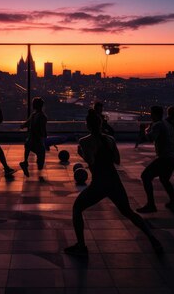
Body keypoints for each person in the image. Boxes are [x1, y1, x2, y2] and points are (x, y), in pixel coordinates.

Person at [65, 109, 163, 256]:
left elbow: (90, 160)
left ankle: (81, 245)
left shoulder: (85, 141)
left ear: (87, 125)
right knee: (128, 212)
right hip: (114, 181)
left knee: (77, 208)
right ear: (100, 124)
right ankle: (152, 239)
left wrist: (81, 153)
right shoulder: (110, 139)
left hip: (99, 183)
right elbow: (117, 160)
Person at [137, 106, 174, 213]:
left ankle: (151, 204)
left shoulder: (158, 125)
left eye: (151, 114)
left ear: (154, 114)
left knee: (145, 176)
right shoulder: (167, 124)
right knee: (164, 179)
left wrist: (143, 130)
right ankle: (173, 201)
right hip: (173, 158)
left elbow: (150, 138)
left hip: (165, 158)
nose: (150, 116)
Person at [19, 97, 47, 177]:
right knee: (41, 161)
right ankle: (34, 163)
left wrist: (22, 126)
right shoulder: (42, 116)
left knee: (28, 149)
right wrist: (44, 136)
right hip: (37, 141)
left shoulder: (33, 115)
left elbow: (26, 124)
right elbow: (42, 130)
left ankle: (25, 162)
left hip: (30, 141)